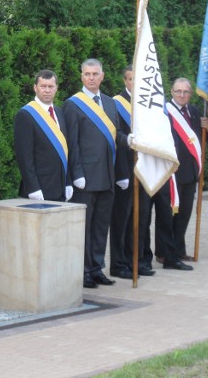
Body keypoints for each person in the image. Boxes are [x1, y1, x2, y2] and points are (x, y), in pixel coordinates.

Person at [62, 59, 129, 289]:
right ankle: (83, 270)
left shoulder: (110, 103)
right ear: (81, 76)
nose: (91, 78)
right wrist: (77, 173)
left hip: (107, 176)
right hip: (86, 179)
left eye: (95, 74)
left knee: (101, 226)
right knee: (86, 228)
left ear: (102, 76)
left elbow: (115, 138)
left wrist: (122, 167)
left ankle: (96, 267)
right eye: (87, 74)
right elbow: (72, 142)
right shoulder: (73, 104)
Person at [164, 78, 205, 261]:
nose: (182, 95)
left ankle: (179, 249)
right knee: (168, 214)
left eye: (185, 92)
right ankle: (164, 252)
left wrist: (207, 129)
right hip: (171, 171)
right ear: (171, 92)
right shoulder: (165, 112)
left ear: (190, 94)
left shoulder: (195, 113)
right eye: (178, 91)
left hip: (190, 172)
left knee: (185, 213)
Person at [14, 69, 71, 202]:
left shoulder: (59, 112)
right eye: (43, 86)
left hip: (60, 187)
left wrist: (68, 182)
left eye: (50, 86)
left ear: (56, 88)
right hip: (39, 189)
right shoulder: (26, 114)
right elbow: (24, 157)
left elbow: (65, 150)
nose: (47, 90)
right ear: (35, 88)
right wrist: (33, 187)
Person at [109, 66, 135, 279]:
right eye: (130, 79)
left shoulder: (148, 104)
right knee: (121, 219)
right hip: (125, 169)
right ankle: (118, 263)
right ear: (125, 81)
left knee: (140, 219)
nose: (134, 83)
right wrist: (122, 173)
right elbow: (116, 138)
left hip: (144, 168)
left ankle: (135, 259)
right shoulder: (116, 103)